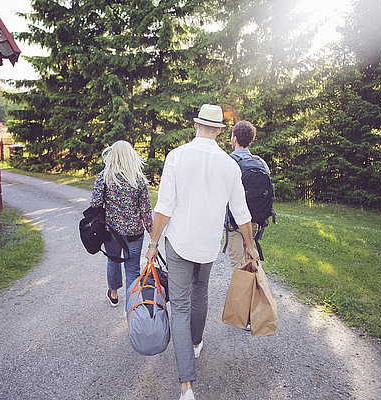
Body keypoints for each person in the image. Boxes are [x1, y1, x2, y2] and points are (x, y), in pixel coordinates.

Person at [145, 105, 259, 400]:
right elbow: (241, 212)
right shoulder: (229, 165)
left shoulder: (177, 157)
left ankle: (187, 387)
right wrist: (249, 245)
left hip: (180, 242)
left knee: (180, 306)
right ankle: (195, 343)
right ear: (220, 130)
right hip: (208, 245)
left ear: (196, 125)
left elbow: (165, 206)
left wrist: (154, 242)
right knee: (200, 292)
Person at [90, 141, 153, 307]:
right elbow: (146, 210)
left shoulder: (104, 177)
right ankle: (132, 307)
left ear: (112, 155)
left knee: (114, 261)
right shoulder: (138, 180)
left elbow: (95, 203)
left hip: (111, 232)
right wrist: (153, 232)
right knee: (133, 269)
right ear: (131, 156)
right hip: (135, 233)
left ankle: (114, 294)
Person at [227, 120, 271, 267]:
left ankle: (243, 290)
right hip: (255, 221)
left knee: (238, 267)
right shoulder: (261, 162)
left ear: (235, 138)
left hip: (235, 224)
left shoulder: (229, 162)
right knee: (250, 261)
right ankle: (253, 289)